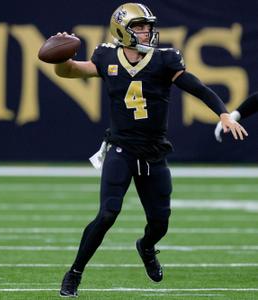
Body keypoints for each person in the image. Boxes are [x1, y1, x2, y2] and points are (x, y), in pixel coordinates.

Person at [43, 3, 248, 297]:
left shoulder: (164, 59)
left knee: (159, 222)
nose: (146, 31)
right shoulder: (106, 55)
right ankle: (74, 272)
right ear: (122, 31)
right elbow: (70, 71)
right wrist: (61, 56)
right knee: (107, 213)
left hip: (153, 151)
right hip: (120, 148)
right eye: (138, 27)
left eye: (147, 26)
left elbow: (197, 86)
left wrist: (223, 113)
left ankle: (147, 247)